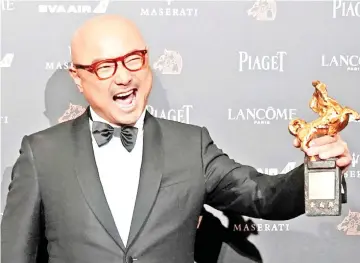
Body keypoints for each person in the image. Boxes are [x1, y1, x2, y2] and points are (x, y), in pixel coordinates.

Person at [1, 15, 352, 263]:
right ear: (77, 79)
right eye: (105, 66)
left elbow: (264, 197)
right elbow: (14, 254)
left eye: (133, 60)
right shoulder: (41, 153)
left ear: (148, 62)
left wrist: (318, 168)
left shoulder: (192, 146)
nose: (123, 76)